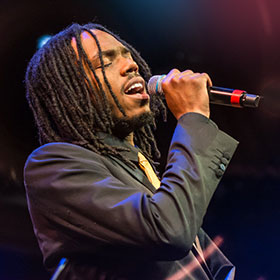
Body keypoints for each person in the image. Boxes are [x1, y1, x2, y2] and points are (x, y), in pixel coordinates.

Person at [24, 22, 238, 280]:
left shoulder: (147, 179)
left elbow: (214, 267)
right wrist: (192, 118)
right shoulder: (52, 166)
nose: (132, 65)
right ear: (71, 92)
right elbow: (168, 231)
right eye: (104, 63)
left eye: (129, 56)